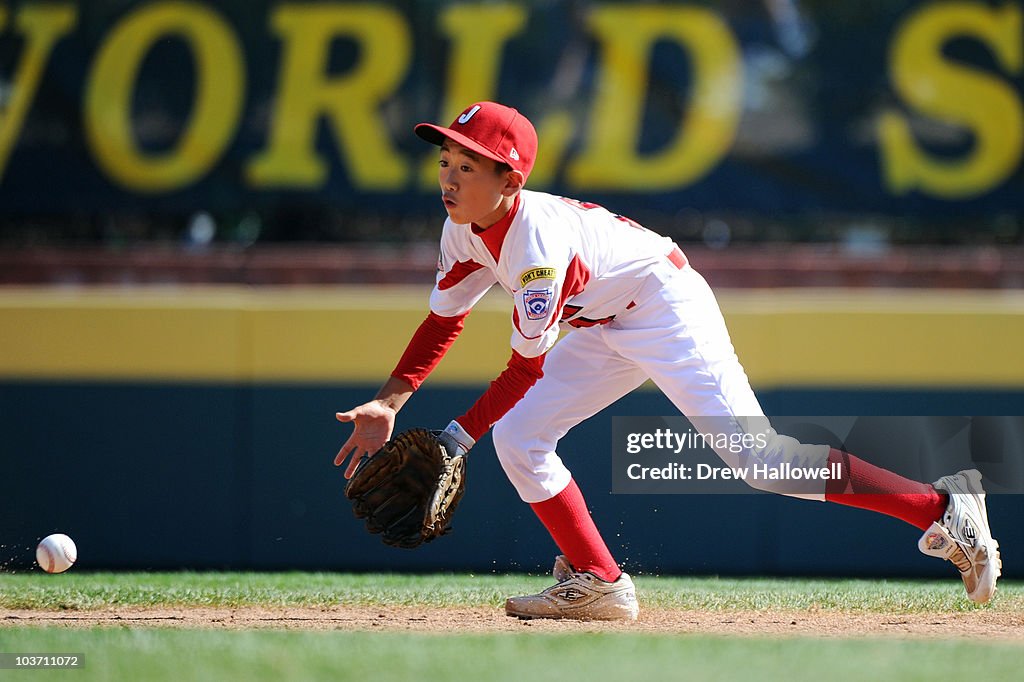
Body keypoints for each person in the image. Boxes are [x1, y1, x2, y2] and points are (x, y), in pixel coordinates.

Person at [334, 101, 1001, 621]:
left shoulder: (536, 248)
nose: (448, 178)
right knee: (520, 436)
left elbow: (525, 371)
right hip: (604, 317)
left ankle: (943, 509)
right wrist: (390, 401)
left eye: (467, 166)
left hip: (662, 303)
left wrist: (452, 440)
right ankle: (600, 583)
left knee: (764, 462)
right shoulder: (463, 227)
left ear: (510, 179)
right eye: (446, 160)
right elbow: (442, 320)